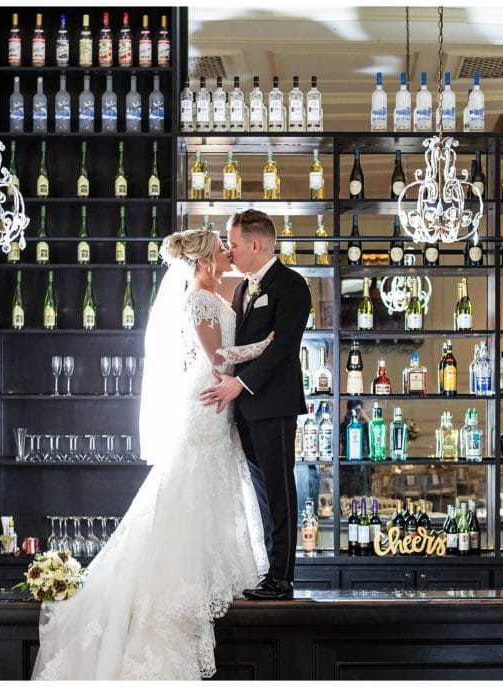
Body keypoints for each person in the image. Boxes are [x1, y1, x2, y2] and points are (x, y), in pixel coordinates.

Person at [31, 228, 271, 680]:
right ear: (203, 260)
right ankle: (183, 583)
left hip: (220, 401)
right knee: (193, 483)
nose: (227, 251)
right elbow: (218, 358)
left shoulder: (219, 295)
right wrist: (265, 345)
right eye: (221, 248)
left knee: (216, 481)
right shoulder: (197, 301)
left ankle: (220, 570)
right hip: (208, 399)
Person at [199, 209, 311, 600]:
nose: (230, 251)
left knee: (280, 491)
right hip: (243, 411)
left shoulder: (292, 285)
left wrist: (239, 385)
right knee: (261, 493)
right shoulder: (241, 289)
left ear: (256, 244)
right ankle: (268, 570)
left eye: (233, 243)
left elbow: (283, 348)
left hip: (274, 406)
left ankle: (281, 578)